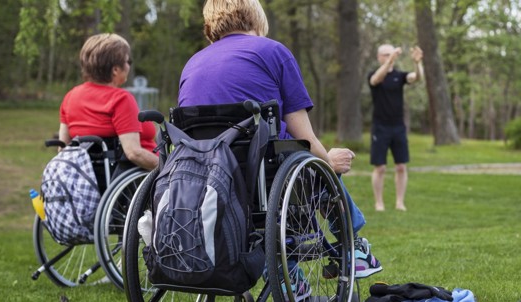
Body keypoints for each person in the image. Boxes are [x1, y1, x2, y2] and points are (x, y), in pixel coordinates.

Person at [178, 0, 382, 296]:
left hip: (206, 179)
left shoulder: (193, 63)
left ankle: (292, 277)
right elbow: (304, 135)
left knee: (291, 173)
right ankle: (353, 245)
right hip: (264, 173)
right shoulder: (272, 51)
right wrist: (329, 163)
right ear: (255, 17)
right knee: (315, 165)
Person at [58, 33, 158, 178]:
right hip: (132, 179)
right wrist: (168, 167)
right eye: (127, 61)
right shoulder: (121, 99)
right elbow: (134, 152)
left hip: (86, 177)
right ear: (115, 70)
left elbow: (63, 149)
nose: (129, 66)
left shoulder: (70, 96)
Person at [368, 44, 423, 212]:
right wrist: (391, 59)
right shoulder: (374, 75)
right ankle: (379, 203)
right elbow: (375, 80)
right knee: (380, 167)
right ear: (379, 57)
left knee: (401, 166)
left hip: (398, 126)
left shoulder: (400, 76)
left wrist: (417, 63)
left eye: (390, 54)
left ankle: (400, 202)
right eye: (385, 54)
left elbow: (417, 78)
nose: (388, 57)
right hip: (380, 127)